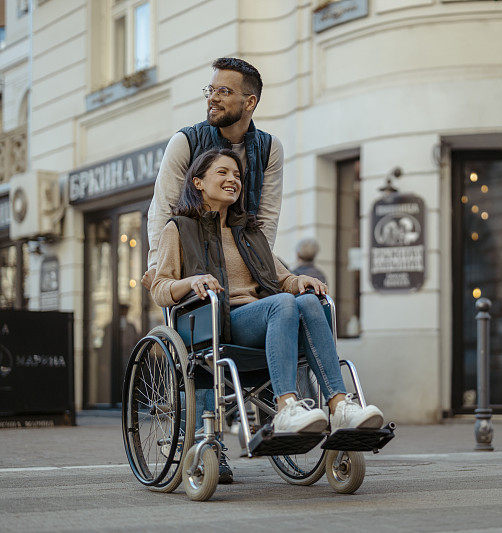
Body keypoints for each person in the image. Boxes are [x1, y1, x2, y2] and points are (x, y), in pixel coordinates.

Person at [150, 148, 384, 442]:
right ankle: (285, 406)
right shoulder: (180, 228)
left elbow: (281, 278)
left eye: (236, 175)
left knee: (309, 300)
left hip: (267, 319)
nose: (232, 179)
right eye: (222, 172)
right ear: (197, 182)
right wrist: (191, 281)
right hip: (219, 323)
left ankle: (339, 406)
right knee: (283, 304)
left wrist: (299, 279)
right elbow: (160, 288)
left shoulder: (249, 232)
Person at [143, 57, 283, 290]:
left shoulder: (270, 149)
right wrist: (159, 269)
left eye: (224, 91)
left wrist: (261, 271)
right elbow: (163, 207)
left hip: (242, 262)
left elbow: (267, 219)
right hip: (193, 262)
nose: (213, 98)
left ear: (249, 102)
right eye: (210, 90)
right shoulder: (185, 141)